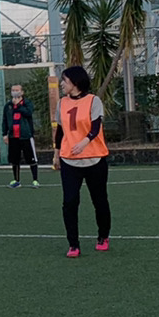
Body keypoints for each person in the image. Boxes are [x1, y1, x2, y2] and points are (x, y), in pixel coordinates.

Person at [53, 66, 110, 259]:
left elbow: (95, 127)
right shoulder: (61, 103)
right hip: (69, 160)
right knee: (69, 202)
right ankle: (73, 244)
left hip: (94, 159)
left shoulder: (93, 101)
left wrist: (84, 142)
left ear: (75, 83)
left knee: (99, 200)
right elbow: (60, 131)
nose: (62, 84)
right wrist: (56, 154)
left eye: (65, 81)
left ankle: (103, 236)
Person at [1, 83, 40, 188]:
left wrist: (18, 105)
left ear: (22, 92)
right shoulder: (8, 106)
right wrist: (4, 134)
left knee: (31, 158)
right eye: (13, 90)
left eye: (17, 90)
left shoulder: (27, 103)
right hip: (13, 137)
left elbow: (28, 113)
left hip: (26, 136)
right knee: (15, 159)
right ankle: (16, 180)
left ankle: (35, 180)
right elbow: (5, 120)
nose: (15, 92)